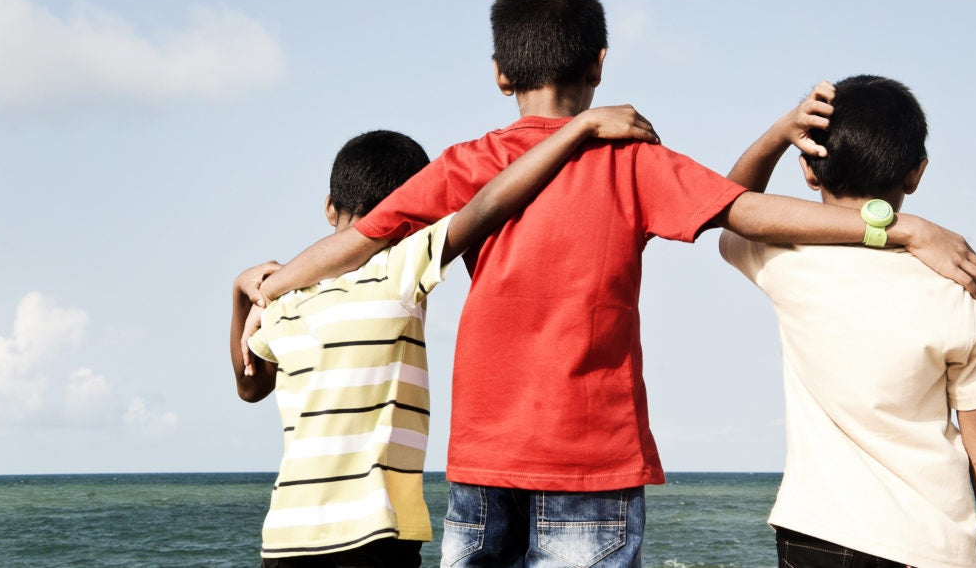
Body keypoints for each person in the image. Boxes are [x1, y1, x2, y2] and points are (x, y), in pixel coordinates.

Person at [253, 0, 976, 567]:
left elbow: (360, 241)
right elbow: (747, 212)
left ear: (501, 75)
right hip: (594, 462)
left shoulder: (466, 163)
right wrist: (898, 226)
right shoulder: (632, 160)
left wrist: (270, 284)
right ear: (599, 64)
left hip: (483, 460)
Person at [230, 106, 661, 568]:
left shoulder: (288, 300)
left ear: (329, 207)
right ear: (416, 212)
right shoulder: (397, 267)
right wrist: (579, 128)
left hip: (286, 535)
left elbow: (249, 386)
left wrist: (241, 294)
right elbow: (490, 204)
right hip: (373, 531)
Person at [719, 75, 976, 568]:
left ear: (808, 169)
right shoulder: (956, 285)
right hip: (931, 543)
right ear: (915, 173)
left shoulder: (786, 261)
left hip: (818, 531)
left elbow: (728, 207)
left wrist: (780, 132)